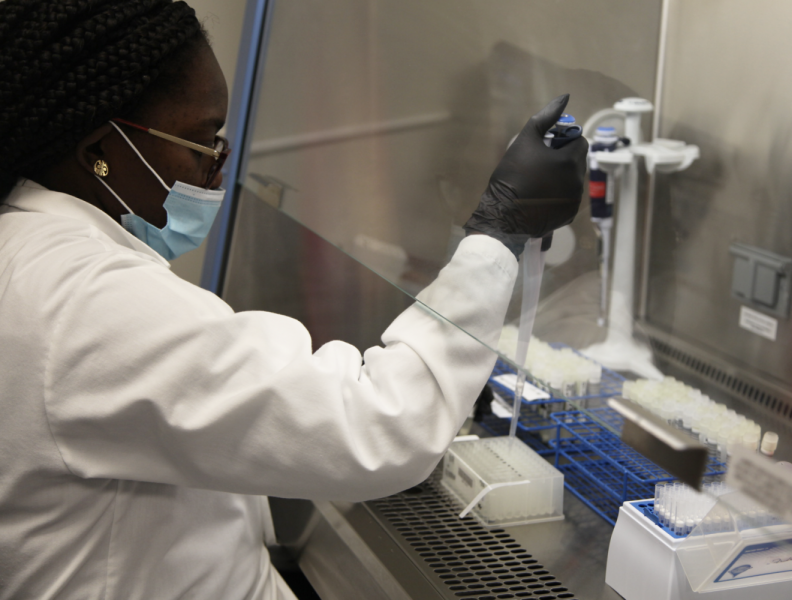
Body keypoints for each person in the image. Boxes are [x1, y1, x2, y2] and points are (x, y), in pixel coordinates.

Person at [0, 1, 588, 598]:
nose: (217, 172)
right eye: (204, 144)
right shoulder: (83, 302)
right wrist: (498, 231)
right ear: (102, 150)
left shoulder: (28, 253)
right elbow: (379, 425)